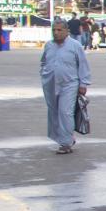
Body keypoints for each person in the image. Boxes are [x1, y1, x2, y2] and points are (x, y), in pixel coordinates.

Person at [39, 19, 92, 154]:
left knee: (65, 112)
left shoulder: (75, 46)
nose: (56, 33)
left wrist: (83, 83)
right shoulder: (49, 46)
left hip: (69, 84)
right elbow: (43, 62)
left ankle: (65, 144)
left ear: (67, 31)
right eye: (54, 30)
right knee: (54, 112)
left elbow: (83, 65)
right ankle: (65, 138)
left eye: (59, 30)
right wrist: (44, 74)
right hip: (50, 84)